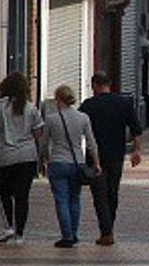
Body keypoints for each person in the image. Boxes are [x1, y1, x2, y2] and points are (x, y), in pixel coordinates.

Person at [79, 71, 143, 246]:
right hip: (116, 155)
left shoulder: (89, 105)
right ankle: (109, 227)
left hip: (95, 157)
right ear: (110, 84)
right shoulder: (124, 103)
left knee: (99, 194)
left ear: (95, 85)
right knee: (112, 192)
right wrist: (136, 150)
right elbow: (136, 128)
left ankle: (106, 230)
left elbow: (77, 127)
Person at [0, 72, 43, 246]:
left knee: (5, 194)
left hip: (4, 157)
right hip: (27, 156)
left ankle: (8, 226)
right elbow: (38, 134)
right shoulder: (31, 108)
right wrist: (43, 156)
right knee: (22, 196)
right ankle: (20, 233)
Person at [42, 84, 101, 249]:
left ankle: (66, 235)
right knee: (74, 199)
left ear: (58, 99)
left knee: (61, 200)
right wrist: (96, 162)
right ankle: (74, 234)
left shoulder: (52, 119)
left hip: (57, 162)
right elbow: (91, 143)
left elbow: (44, 143)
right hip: (77, 163)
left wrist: (45, 160)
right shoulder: (83, 118)